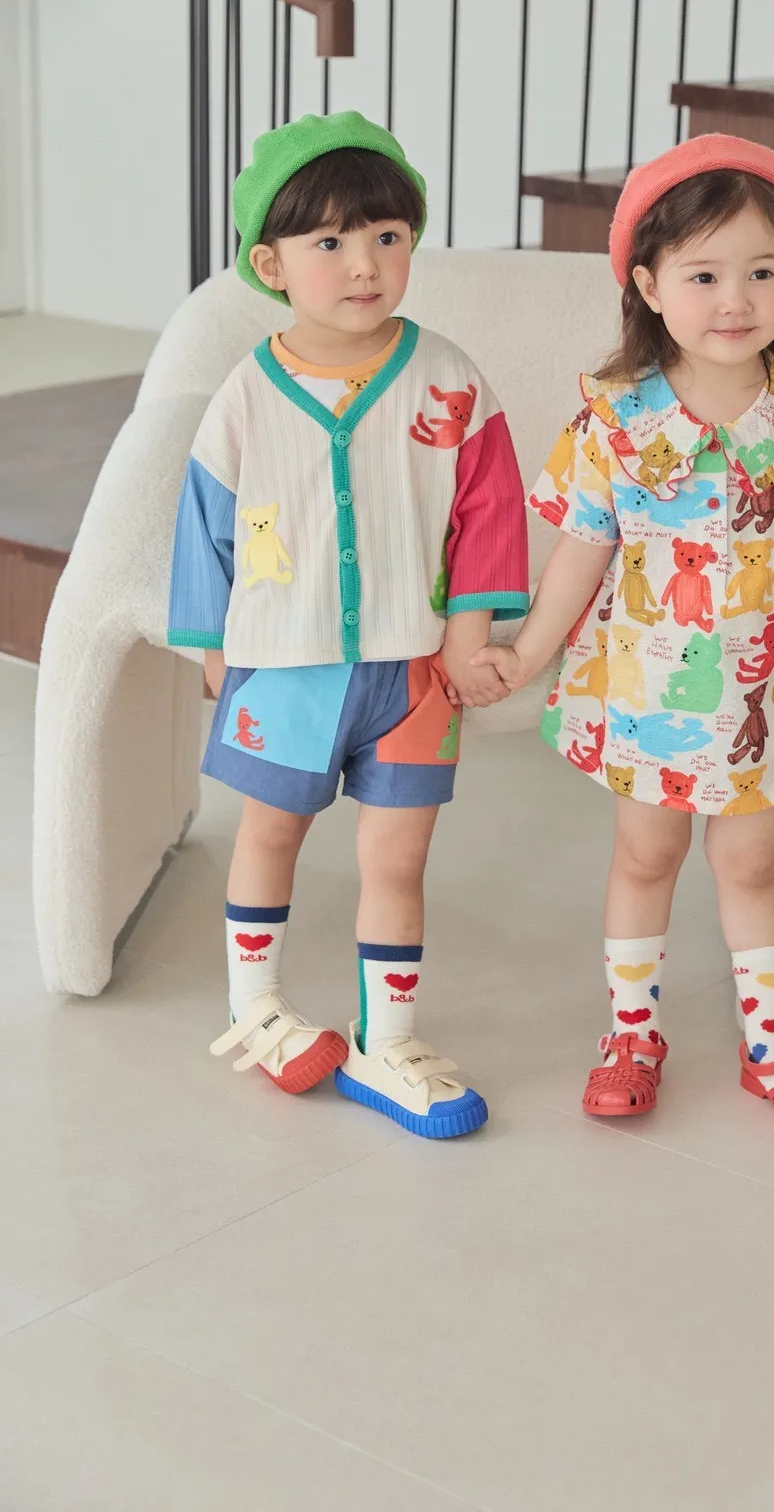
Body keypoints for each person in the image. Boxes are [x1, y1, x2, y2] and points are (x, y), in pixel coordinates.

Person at [473, 133, 774, 1137]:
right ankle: (631, 1034)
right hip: (643, 699)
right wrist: (526, 654)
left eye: (762, 271)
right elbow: (578, 555)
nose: (734, 298)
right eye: (703, 274)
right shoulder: (614, 425)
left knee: (749, 867)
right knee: (645, 857)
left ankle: (771, 1048)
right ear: (649, 285)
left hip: (768, 701)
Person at [167, 110, 529, 1138]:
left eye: (386, 235)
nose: (363, 263)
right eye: (328, 241)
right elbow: (204, 521)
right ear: (270, 264)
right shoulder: (247, 392)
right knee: (269, 832)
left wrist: (470, 627)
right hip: (283, 666)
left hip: (411, 674)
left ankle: (387, 1041)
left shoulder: (449, 377)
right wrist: (213, 645)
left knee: (399, 859)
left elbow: (490, 508)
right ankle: (255, 1006)